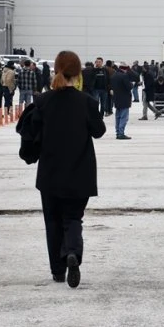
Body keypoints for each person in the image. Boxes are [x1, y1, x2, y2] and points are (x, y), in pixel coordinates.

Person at [30, 50, 105, 288]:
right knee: (73, 218)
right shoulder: (87, 102)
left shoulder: (42, 101)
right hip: (80, 172)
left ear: (55, 71)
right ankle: (72, 252)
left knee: (52, 221)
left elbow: (34, 136)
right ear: (78, 73)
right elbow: (99, 131)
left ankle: (57, 270)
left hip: (50, 172)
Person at [110, 63, 133, 140]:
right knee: (124, 117)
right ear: (125, 69)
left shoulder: (114, 76)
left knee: (118, 117)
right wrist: (131, 84)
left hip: (116, 99)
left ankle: (117, 132)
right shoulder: (124, 76)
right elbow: (129, 87)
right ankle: (121, 133)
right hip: (124, 99)